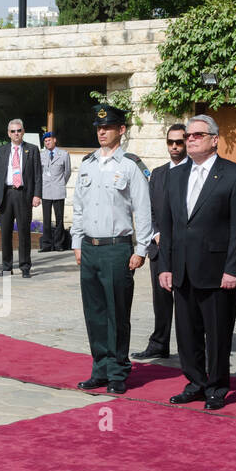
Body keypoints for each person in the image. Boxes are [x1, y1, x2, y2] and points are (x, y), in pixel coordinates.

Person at [159, 115, 236, 410]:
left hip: (217, 270)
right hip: (182, 268)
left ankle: (217, 386)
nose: (191, 139)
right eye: (188, 135)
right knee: (186, 333)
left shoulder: (235, 175)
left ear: (214, 139)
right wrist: (165, 266)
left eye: (198, 135)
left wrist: (234, 269)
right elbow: (169, 225)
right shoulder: (174, 176)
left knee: (218, 334)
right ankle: (195, 382)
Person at [73, 104, 153, 395]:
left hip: (117, 248)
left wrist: (141, 249)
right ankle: (100, 369)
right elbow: (79, 206)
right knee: (94, 312)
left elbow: (143, 210)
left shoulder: (130, 165)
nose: (102, 132)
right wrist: (76, 241)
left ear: (121, 130)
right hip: (90, 247)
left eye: (107, 127)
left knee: (117, 314)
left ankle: (118, 371)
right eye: (98, 127)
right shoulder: (87, 163)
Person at [134, 124, 186, 360]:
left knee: (187, 302)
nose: (174, 147)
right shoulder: (158, 173)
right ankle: (159, 343)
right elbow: (149, 209)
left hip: (185, 247)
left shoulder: (194, 171)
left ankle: (191, 347)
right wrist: (155, 232)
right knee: (161, 300)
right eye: (170, 142)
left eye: (179, 142)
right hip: (159, 246)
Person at [0, 119, 43, 278]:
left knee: (24, 232)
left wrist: (37, 194)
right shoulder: (2, 151)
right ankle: (6, 267)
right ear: (8, 133)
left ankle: (25, 267)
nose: (16, 133)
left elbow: (38, 175)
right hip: (5, 195)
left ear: (23, 131)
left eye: (18, 130)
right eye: (13, 131)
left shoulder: (32, 150)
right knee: (5, 233)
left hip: (23, 194)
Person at [39, 131, 71, 251]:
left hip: (58, 190)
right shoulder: (41, 155)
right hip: (45, 190)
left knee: (59, 219)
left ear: (54, 140)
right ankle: (46, 244)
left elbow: (67, 172)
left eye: (49, 140)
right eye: (45, 141)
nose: (47, 142)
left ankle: (58, 244)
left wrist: (61, 183)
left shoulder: (64, 154)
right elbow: (39, 172)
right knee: (46, 219)